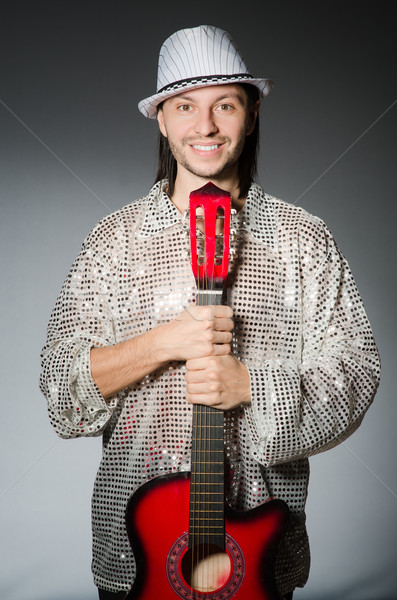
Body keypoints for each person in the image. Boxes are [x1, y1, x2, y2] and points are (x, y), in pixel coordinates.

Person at [40, 25, 380, 599]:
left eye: (225, 104)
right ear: (162, 119)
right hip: (136, 554)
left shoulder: (303, 240)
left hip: (262, 556)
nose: (205, 126)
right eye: (185, 106)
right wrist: (163, 343)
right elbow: (60, 392)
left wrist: (250, 385)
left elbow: (357, 372)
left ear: (250, 115)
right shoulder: (113, 242)